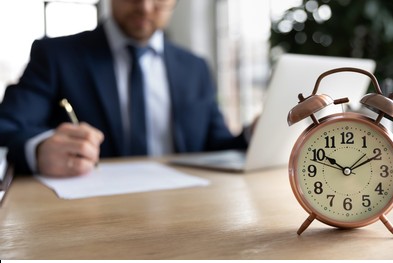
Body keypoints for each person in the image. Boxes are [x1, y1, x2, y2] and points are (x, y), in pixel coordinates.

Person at [0, 0, 248, 177]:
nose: (145, 6)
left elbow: (218, 145)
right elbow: (7, 126)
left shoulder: (196, 67)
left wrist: (252, 136)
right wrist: (40, 149)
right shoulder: (56, 56)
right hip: (89, 215)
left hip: (186, 212)